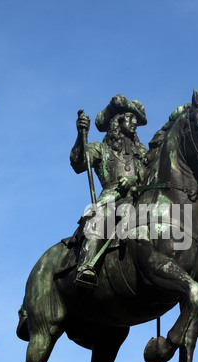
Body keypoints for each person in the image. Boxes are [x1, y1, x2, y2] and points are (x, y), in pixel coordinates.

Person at [70, 94, 148, 288]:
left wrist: (135, 181)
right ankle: (86, 265)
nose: (134, 123)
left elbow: (152, 175)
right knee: (98, 216)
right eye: (131, 118)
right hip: (112, 198)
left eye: (136, 120)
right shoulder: (102, 149)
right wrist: (81, 136)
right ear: (117, 120)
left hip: (140, 196)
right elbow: (79, 163)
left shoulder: (142, 153)